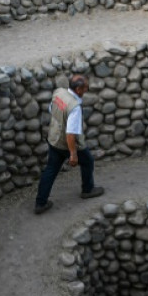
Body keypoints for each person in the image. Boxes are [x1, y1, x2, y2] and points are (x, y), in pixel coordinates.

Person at [34, 74, 105, 214]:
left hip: (54, 138)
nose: (87, 90)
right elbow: (71, 134)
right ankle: (88, 189)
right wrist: (73, 154)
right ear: (78, 89)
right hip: (67, 144)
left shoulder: (59, 93)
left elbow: (52, 110)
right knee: (88, 161)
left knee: (51, 170)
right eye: (86, 87)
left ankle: (40, 203)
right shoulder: (74, 107)